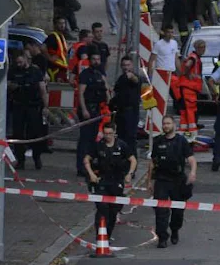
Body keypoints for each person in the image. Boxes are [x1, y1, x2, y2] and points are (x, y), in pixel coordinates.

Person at [147, 115, 196, 248]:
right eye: (164, 124)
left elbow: (191, 158)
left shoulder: (181, 141)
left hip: (177, 180)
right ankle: (162, 237)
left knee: (178, 211)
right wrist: (149, 181)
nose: (166, 126)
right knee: (160, 210)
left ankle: (174, 229)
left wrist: (192, 172)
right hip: (162, 179)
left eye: (168, 123)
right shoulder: (158, 141)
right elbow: (152, 163)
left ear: (174, 125)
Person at [84, 122, 136, 239]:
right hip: (101, 182)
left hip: (116, 182)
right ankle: (100, 236)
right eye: (105, 133)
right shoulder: (98, 146)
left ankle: (108, 235)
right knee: (102, 209)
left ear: (114, 133)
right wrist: (91, 174)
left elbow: (133, 160)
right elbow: (86, 159)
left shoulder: (121, 145)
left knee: (113, 211)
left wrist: (129, 174)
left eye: (110, 134)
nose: (107, 136)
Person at [8, 52, 48, 169]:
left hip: (33, 106)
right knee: (18, 134)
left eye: (21, 62)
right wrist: (14, 86)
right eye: (17, 62)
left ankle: (37, 157)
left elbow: (42, 90)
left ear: (26, 60)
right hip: (18, 105)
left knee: (35, 133)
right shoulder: (13, 71)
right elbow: (7, 85)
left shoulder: (35, 72)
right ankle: (20, 160)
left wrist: (45, 107)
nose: (19, 64)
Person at [77, 51, 110, 176]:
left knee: (92, 139)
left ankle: (89, 166)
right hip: (87, 109)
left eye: (98, 59)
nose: (96, 61)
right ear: (90, 60)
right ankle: (81, 167)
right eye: (94, 59)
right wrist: (84, 109)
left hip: (97, 109)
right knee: (85, 139)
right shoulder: (85, 74)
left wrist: (108, 100)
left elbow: (106, 88)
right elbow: (81, 93)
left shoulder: (100, 74)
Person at [112, 55, 144, 153]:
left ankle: (132, 162)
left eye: (128, 65)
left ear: (132, 66)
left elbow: (136, 80)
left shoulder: (134, 77)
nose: (126, 67)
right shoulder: (121, 78)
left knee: (130, 139)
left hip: (131, 113)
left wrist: (130, 76)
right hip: (120, 112)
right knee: (121, 138)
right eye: (124, 65)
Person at [176, 40, 205, 138]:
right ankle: (192, 133)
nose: (203, 49)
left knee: (184, 111)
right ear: (196, 48)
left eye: (203, 47)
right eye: (201, 47)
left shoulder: (194, 57)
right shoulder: (193, 57)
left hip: (187, 88)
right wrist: (188, 74)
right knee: (191, 110)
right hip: (190, 88)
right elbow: (188, 65)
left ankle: (183, 132)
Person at [151, 23, 181, 114]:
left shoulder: (174, 43)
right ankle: (157, 111)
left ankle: (178, 109)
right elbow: (152, 59)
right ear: (163, 32)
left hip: (172, 73)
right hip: (161, 73)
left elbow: (176, 58)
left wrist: (180, 73)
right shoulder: (158, 44)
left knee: (177, 94)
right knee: (160, 95)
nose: (170, 34)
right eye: (168, 32)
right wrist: (150, 75)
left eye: (172, 32)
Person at [45, 16, 70, 82]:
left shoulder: (61, 36)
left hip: (61, 68)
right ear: (55, 25)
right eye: (60, 23)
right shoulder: (52, 36)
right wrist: (49, 58)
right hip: (54, 68)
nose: (62, 25)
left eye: (63, 23)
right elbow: (43, 47)